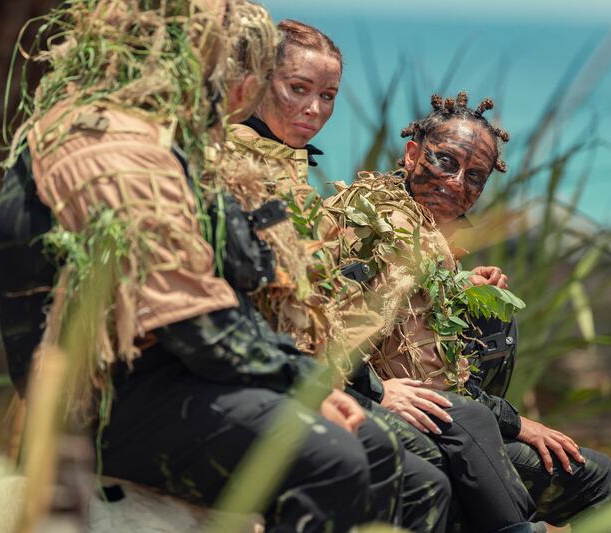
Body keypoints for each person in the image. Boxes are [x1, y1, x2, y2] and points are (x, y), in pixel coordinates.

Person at [0, 1, 449, 531]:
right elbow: (190, 318)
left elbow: (230, 299)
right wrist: (302, 382)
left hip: (168, 373)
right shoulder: (109, 146)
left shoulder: (159, 144)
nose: (243, 87)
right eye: (232, 66)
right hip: (102, 402)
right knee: (335, 458)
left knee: (382, 453)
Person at [222, 20, 545, 533]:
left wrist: (457, 286)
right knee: (445, 459)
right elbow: (289, 301)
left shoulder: (285, 164)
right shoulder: (243, 167)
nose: (314, 109)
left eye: (328, 96)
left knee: (457, 447)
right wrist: (372, 390)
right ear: (254, 82)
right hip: (273, 378)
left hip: (302, 373)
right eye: (298, 88)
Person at [367, 91, 611, 531]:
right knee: (596, 478)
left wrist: (460, 289)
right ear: (411, 155)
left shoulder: (424, 229)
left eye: (475, 176)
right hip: (417, 418)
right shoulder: (381, 226)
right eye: (445, 162)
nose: (457, 183)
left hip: (446, 417)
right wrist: (516, 423)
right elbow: (428, 372)